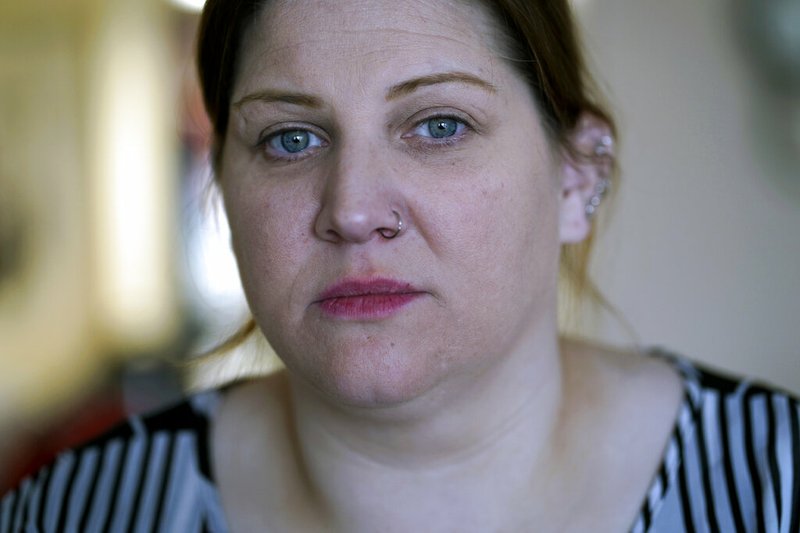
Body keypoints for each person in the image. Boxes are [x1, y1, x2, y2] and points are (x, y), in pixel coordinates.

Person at [2, 0, 798, 531]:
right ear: (225, 193)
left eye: (439, 124)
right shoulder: (78, 511)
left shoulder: (777, 485)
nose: (351, 207)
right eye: (289, 138)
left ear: (577, 175)